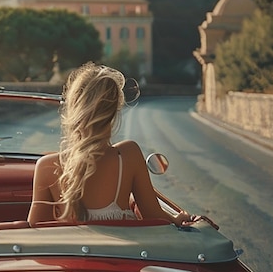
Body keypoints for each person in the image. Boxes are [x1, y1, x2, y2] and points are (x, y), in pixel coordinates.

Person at [28, 62, 192, 227]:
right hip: (125, 254)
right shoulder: (129, 155)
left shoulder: (47, 167)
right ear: (114, 111)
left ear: (72, 108)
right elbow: (155, 217)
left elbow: (34, 231)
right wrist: (177, 219)